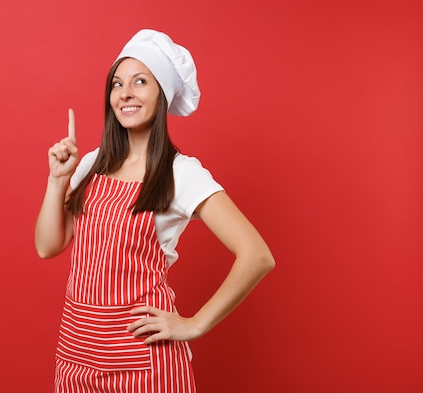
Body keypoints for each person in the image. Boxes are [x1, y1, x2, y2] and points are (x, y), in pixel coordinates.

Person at [35, 29, 275, 392]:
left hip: (143, 365)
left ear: (161, 94)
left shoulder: (180, 173)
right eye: (117, 83)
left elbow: (257, 255)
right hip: (77, 357)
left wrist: (194, 324)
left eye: (140, 81)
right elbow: (47, 246)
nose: (125, 93)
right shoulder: (90, 164)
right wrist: (57, 181)